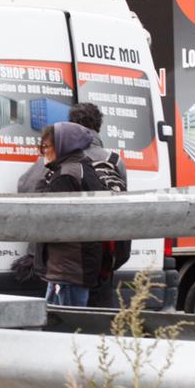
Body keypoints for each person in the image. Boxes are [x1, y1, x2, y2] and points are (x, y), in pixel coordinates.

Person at [31, 122, 106, 308]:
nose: (43, 152)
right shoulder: (83, 168)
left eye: (47, 147)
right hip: (76, 264)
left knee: (67, 327)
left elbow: (51, 221)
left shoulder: (64, 176)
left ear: (64, 145)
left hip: (67, 268)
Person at [67, 103, 128, 308]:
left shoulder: (63, 158)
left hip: (71, 255)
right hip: (105, 252)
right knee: (102, 319)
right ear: (99, 126)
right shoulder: (115, 160)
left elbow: (27, 183)